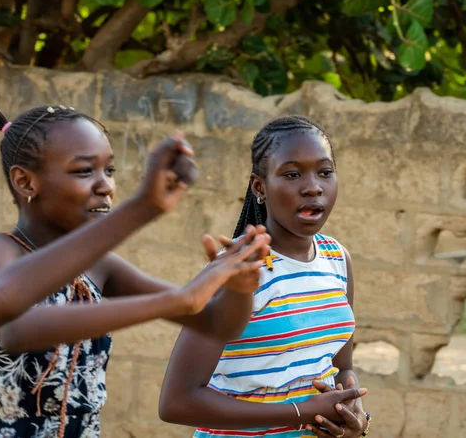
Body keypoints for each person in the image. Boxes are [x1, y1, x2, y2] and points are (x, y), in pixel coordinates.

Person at [0, 105, 271, 438]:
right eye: (84, 171)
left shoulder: (99, 266)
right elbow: (15, 329)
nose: (106, 186)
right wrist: (174, 300)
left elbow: (219, 323)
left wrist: (241, 286)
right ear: (25, 181)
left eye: (110, 170)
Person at [159, 115, 371, 438]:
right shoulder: (239, 270)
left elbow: (341, 367)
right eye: (292, 174)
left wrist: (350, 414)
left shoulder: (337, 260)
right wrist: (299, 414)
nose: (313, 186)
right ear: (260, 186)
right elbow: (177, 401)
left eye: (325, 172)